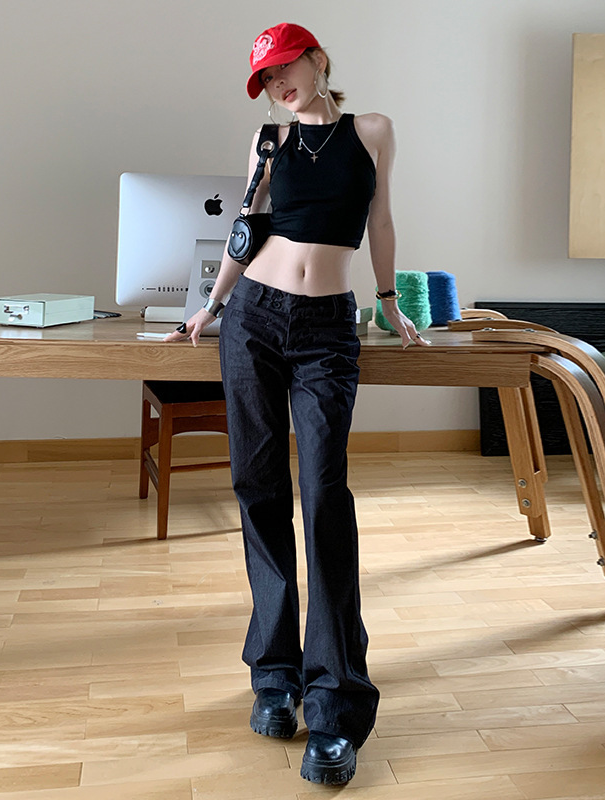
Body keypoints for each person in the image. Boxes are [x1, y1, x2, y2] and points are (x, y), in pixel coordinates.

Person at [165, 21, 428, 785]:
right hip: (253, 318)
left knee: (323, 497)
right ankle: (274, 677)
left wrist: (389, 301)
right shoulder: (268, 141)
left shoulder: (371, 130)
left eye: (285, 68)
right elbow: (247, 229)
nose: (278, 85)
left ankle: (336, 705)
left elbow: (380, 219)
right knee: (258, 488)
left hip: (326, 328)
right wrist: (213, 305)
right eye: (266, 79)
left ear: (316, 59)